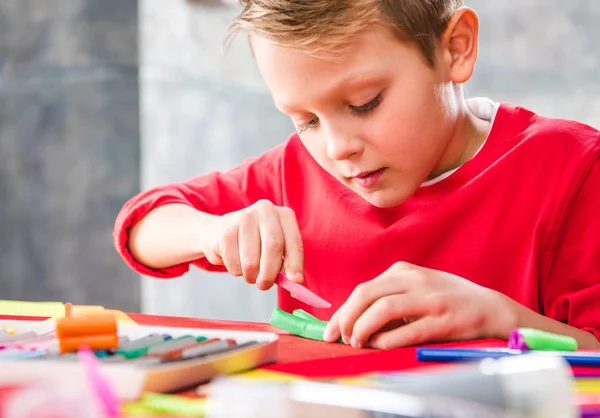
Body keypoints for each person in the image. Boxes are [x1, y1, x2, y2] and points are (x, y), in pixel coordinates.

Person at [113, 0, 600, 350]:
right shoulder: (295, 174)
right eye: (305, 120)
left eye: (364, 103)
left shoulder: (571, 169)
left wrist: (501, 318)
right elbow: (140, 229)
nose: (337, 147)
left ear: (456, 48)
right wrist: (212, 230)